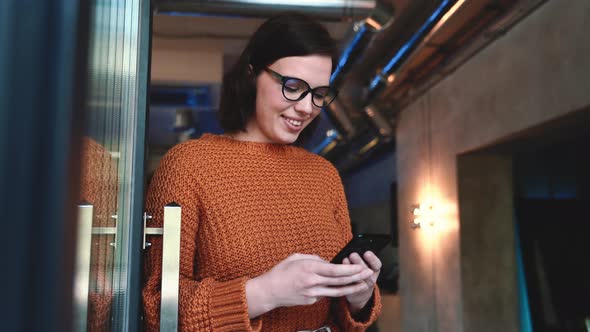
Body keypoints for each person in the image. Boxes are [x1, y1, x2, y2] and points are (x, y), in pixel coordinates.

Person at [142, 13, 383, 331]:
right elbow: (157, 309)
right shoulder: (188, 165)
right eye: (294, 87)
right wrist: (266, 292)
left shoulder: (324, 175)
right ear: (251, 74)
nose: (307, 107)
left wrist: (360, 296)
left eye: (319, 93)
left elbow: (341, 316)